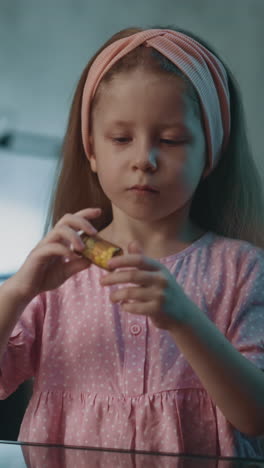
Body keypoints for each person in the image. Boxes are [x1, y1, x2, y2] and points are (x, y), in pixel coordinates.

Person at [1, 25, 264, 460]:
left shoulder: (241, 269)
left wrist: (184, 319)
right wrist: (17, 291)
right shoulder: (56, 273)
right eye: (121, 139)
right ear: (91, 149)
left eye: (171, 140)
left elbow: (255, 416)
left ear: (209, 153)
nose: (144, 159)